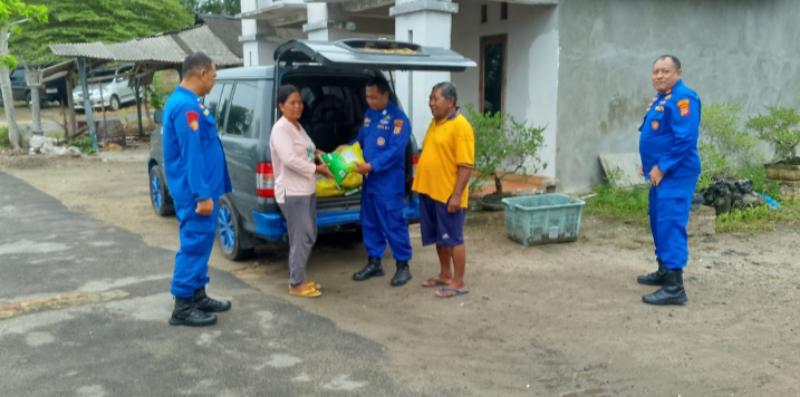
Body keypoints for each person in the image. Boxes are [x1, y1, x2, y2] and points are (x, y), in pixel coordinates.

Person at [162, 52, 232, 326]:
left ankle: (197, 294)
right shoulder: (186, 107)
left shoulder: (189, 102)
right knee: (193, 245)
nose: (214, 81)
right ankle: (183, 306)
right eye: (213, 76)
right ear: (202, 74)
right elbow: (192, 154)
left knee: (201, 243)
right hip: (196, 193)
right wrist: (202, 195)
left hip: (204, 189)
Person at [637, 54, 701, 305]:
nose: (659, 76)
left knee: (671, 223)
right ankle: (665, 270)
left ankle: (675, 288)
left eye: (665, 71)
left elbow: (685, 139)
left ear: (679, 73)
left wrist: (662, 167)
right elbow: (656, 134)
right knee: (658, 221)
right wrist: (648, 165)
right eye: (655, 71)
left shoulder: (684, 98)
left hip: (676, 174)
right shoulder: (664, 98)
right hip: (659, 174)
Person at [412, 82, 475, 298]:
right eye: (430, 98)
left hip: (448, 195)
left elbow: (466, 166)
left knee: (453, 238)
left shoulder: (461, 127)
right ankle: (445, 274)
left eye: (435, 99)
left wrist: (456, 195)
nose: (430, 103)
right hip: (430, 192)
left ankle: (458, 282)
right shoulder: (436, 123)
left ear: (450, 101)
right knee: (440, 238)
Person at [269, 84, 332, 298]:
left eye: (300, 102)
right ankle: (296, 283)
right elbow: (289, 159)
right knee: (301, 236)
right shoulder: (281, 129)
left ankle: (300, 277)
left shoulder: (297, 126)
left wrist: (324, 156)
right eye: (292, 103)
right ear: (281, 106)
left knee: (309, 234)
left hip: (306, 189)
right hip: (292, 191)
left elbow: (309, 150)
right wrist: (318, 169)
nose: (298, 106)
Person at [350, 76, 414, 287]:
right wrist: (344, 150)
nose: (370, 101)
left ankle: (403, 266)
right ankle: (374, 262)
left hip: (388, 182)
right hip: (370, 182)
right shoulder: (370, 115)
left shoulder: (398, 120)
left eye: (374, 97)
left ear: (386, 94)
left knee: (393, 222)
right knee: (370, 221)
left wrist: (372, 165)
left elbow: (395, 151)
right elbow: (360, 140)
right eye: (367, 97)